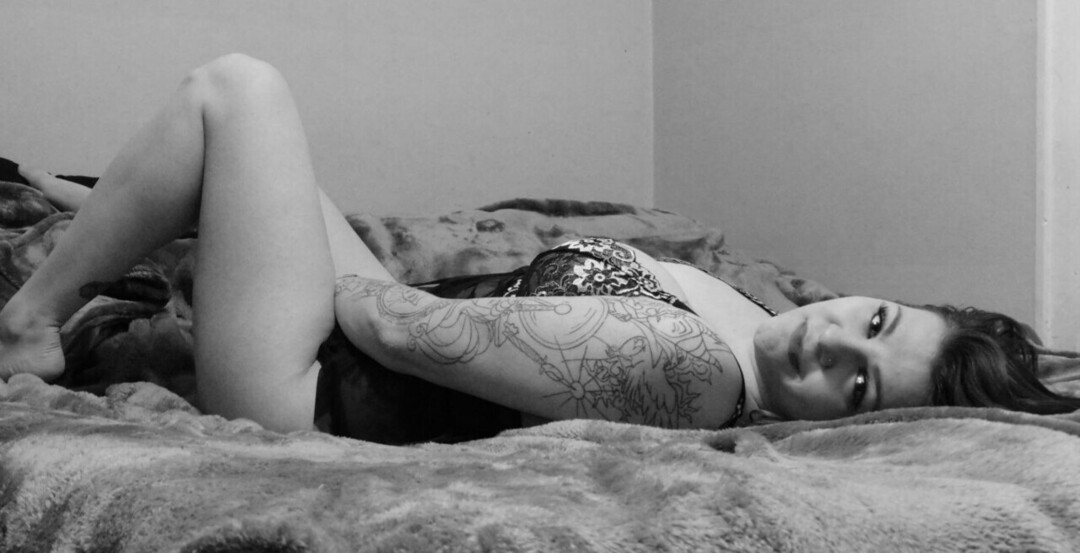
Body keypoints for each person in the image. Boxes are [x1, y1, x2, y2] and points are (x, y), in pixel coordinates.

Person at [1, 55, 1076, 442]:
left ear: (851, 427)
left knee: (238, 94)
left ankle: (29, 326)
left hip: (305, 395)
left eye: (856, 385)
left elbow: (387, 323)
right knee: (236, 157)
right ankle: (127, 213)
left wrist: (245, 238)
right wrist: (238, 221)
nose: (830, 340)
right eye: (875, 320)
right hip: (354, 348)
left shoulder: (692, 368)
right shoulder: (757, 325)